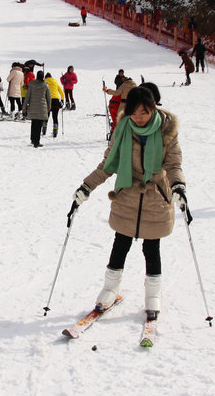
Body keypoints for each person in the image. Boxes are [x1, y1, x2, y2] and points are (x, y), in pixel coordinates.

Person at [70, 85, 184, 321]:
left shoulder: (167, 132)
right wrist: (86, 186)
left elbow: (173, 165)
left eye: (143, 112)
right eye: (133, 112)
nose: (138, 117)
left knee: (151, 247)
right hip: (128, 195)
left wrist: (178, 187)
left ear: (153, 108)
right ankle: (110, 289)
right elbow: (108, 165)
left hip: (156, 197)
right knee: (120, 243)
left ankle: (153, 294)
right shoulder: (122, 130)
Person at [23, 68, 51, 147]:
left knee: (34, 123)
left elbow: (28, 96)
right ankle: (36, 142)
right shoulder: (45, 85)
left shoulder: (31, 85)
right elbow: (48, 97)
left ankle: (32, 139)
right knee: (39, 125)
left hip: (33, 106)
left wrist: (24, 107)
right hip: (42, 107)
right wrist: (49, 107)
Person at [45, 72, 64, 137]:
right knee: (55, 117)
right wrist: (62, 100)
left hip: (47, 100)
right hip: (56, 100)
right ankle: (55, 132)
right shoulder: (55, 82)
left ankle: (44, 130)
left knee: (46, 116)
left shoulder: (44, 82)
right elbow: (61, 92)